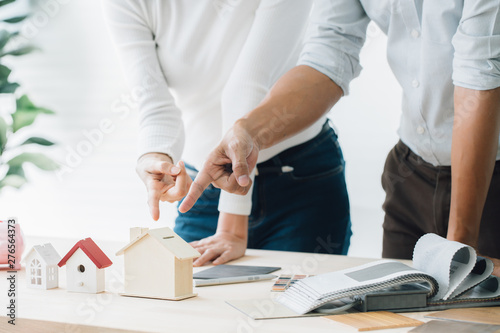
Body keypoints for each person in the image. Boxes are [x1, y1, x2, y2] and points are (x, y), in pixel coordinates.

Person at [180, 0, 500, 276]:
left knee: (476, 319)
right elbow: (327, 60)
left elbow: (479, 74)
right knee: (401, 318)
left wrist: (459, 245)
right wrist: (250, 132)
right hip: (411, 173)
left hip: (489, 180)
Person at [103, 0, 352, 266]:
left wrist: (232, 223)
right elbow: (154, 104)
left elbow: (248, 86)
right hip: (205, 186)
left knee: (295, 304)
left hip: (298, 180)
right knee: (186, 299)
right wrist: (153, 158)